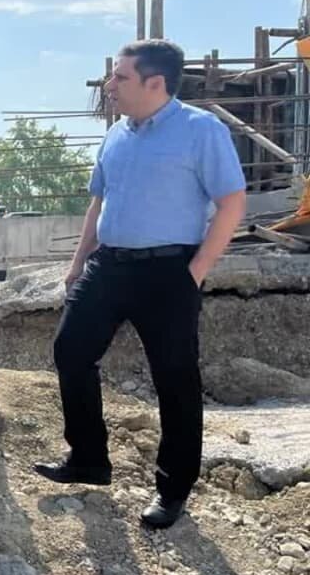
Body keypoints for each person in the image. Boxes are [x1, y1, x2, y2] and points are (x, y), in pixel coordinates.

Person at [34, 39, 246, 529]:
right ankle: (88, 457)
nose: (109, 85)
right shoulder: (116, 135)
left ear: (156, 83)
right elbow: (98, 202)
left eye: (120, 76)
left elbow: (232, 203)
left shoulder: (201, 130)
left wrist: (195, 272)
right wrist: (77, 262)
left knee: (174, 378)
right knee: (71, 350)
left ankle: (172, 490)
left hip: (168, 271)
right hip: (108, 266)